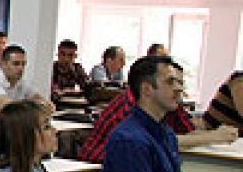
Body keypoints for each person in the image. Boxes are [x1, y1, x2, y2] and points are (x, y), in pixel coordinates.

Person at [78, 59, 235, 164]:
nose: (179, 88)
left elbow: (185, 133)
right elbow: (158, 142)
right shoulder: (132, 108)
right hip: (102, 167)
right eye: (171, 82)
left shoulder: (167, 103)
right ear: (148, 88)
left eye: (180, 83)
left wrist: (215, 135)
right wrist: (213, 137)